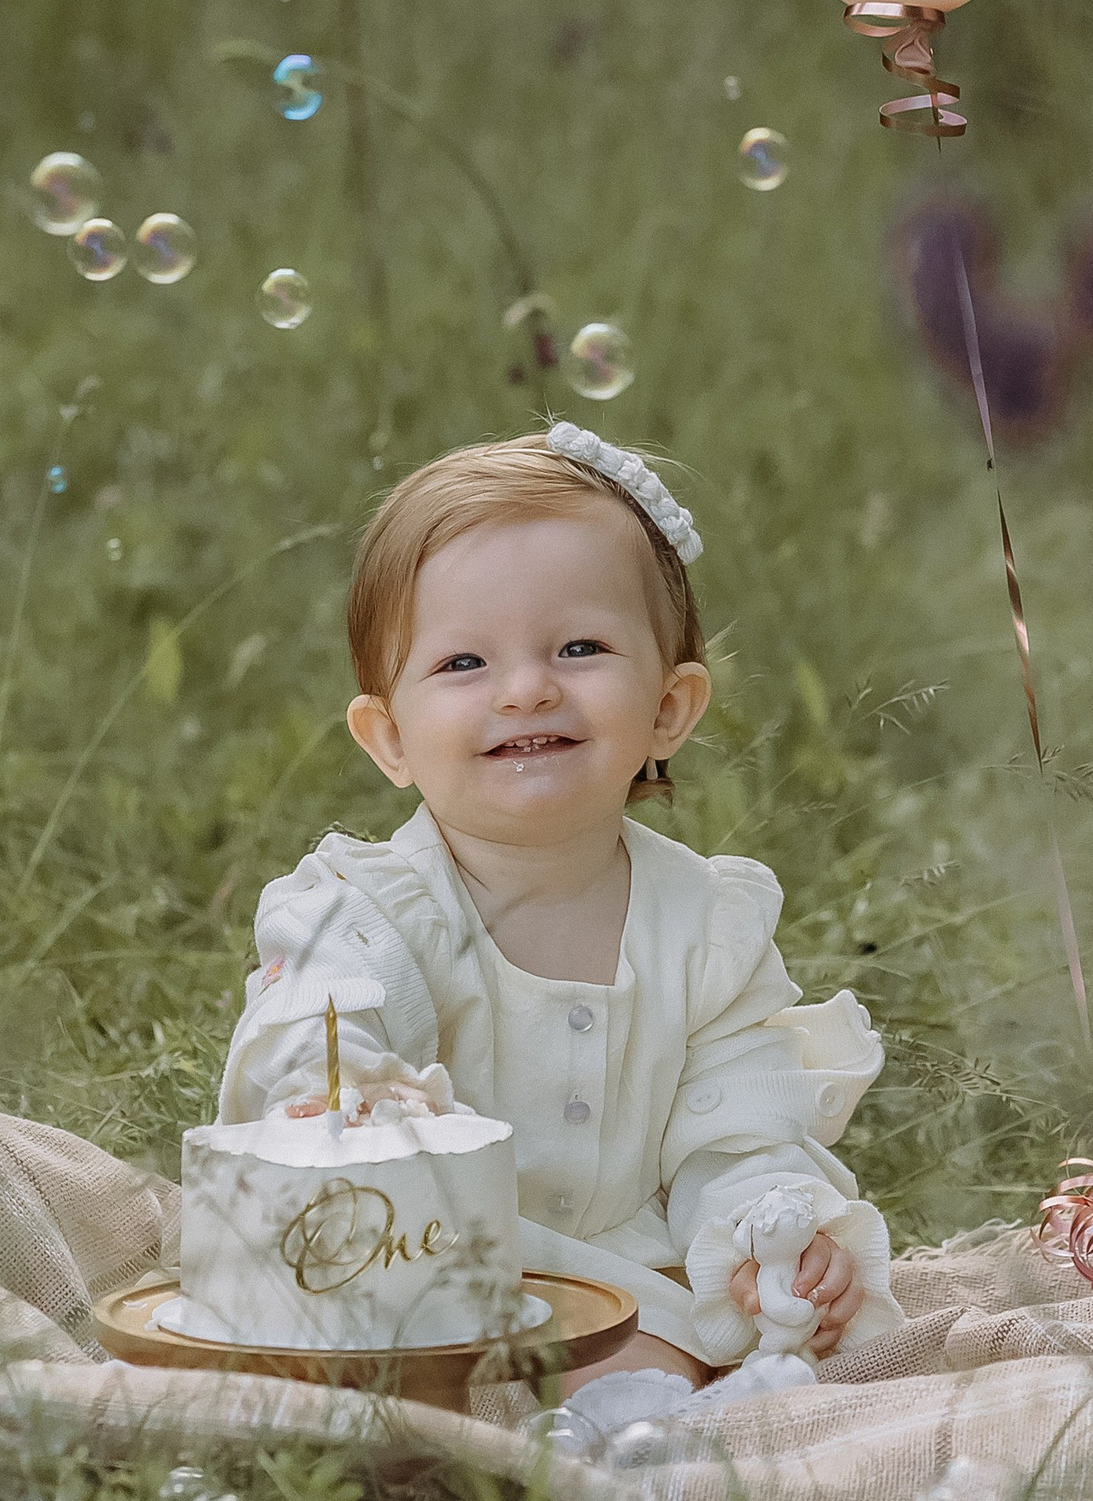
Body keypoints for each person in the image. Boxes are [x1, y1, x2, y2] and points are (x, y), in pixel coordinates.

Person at [213, 427, 900, 1438]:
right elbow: (310, 1029)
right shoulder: (368, 909)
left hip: (612, 1286)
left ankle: (638, 1439)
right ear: (390, 737)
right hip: (410, 1258)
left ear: (668, 707)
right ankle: (468, 1444)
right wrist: (350, 1092)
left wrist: (770, 1237)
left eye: (578, 648)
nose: (525, 687)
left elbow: (736, 1129)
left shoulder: (705, 927)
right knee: (363, 1366)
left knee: (648, 1363)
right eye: (463, 661)